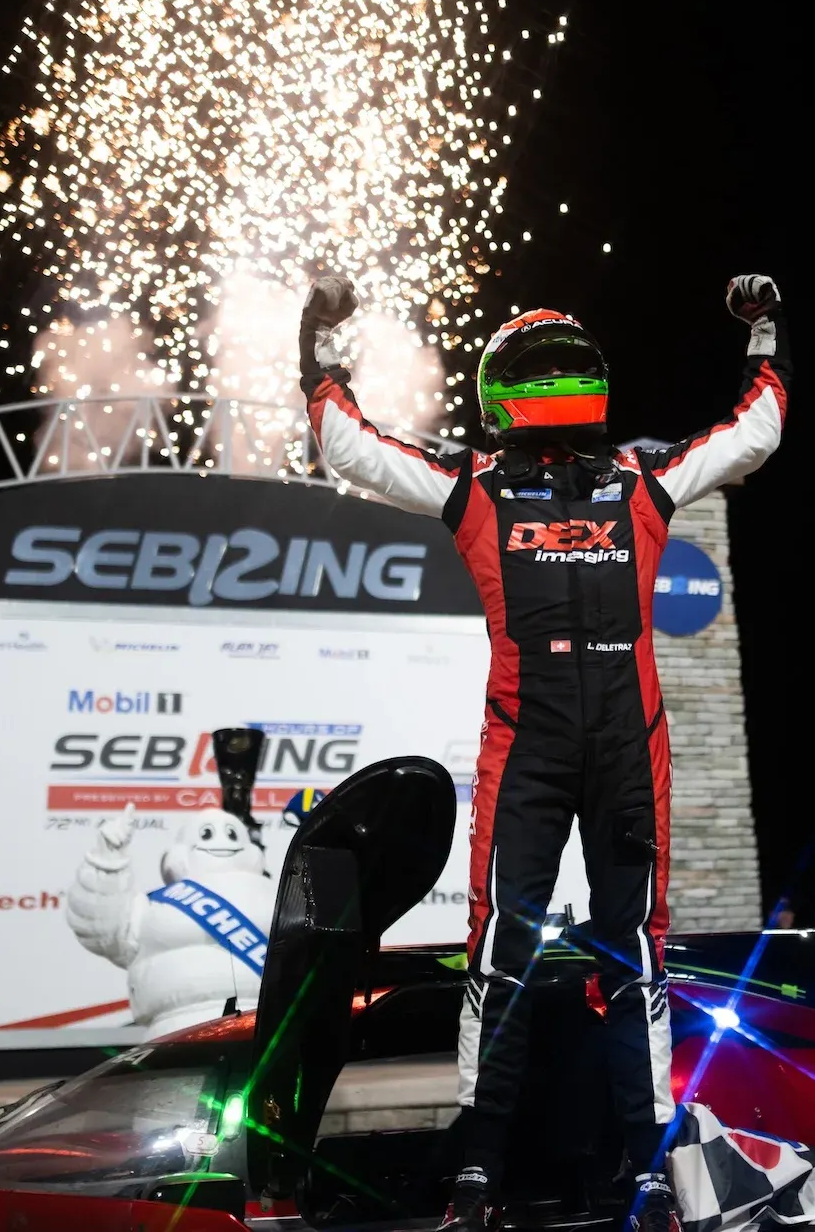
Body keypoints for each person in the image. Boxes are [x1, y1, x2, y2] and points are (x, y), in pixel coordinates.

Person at [299, 272, 789, 1232]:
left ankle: (582, 1170)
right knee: (561, 953)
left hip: (561, 752)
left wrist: (320, 341)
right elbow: (757, 428)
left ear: (497, 394)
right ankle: (518, 1167)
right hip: (580, 751)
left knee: (573, 956)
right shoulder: (620, 478)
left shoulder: (514, 482)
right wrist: (761, 333)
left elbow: (341, 440)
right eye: (551, 365)